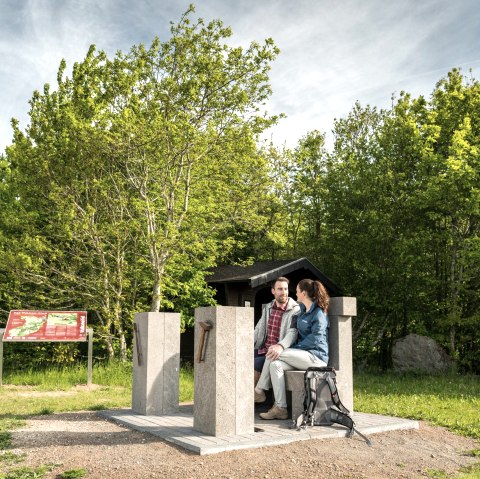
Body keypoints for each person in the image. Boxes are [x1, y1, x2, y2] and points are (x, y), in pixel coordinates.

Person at [255, 278, 330, 420]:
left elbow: (316, 339)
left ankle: (259, 389)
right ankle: (280, 408)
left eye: (296, 290)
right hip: (301, 356)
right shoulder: (302, 311)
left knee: (273, 351)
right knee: (275, 364)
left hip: (316, 357)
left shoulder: (318, 313)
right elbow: (293, 332)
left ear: (303, 293)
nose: (293, 293)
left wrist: (293, 348)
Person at [253, 277, 300, 389]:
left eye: (285, 289)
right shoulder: (268, 307)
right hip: (263, 349)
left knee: (252, 365)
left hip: (278, 353)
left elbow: (292, 334)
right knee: (239, 359)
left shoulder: (295, 310)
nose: (284, 292)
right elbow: (258, 329)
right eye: (280, 289)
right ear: (273, 291)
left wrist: (280, 346)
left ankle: (255, 398)